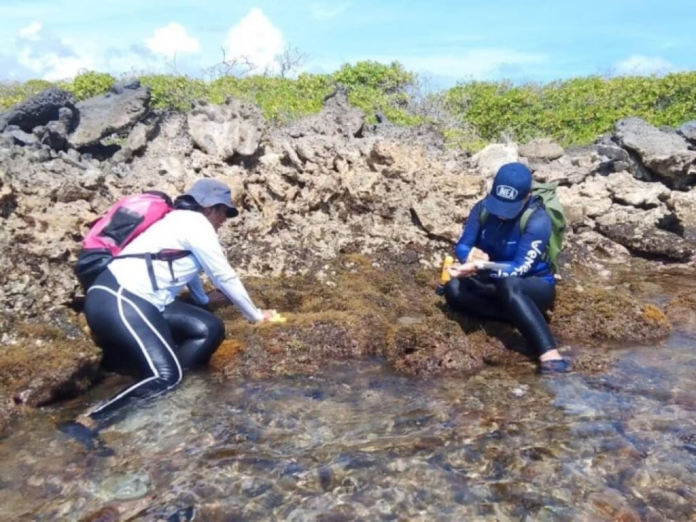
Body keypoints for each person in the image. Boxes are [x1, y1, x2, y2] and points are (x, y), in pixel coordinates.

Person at [62, 179, 276, 450]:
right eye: (224, 211)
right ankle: (86, 422)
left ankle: (162, 387)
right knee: (166, 375)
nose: (225, 219)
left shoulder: (179, 222)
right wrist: (255, 316)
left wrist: (202, 300)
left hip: (139, 301)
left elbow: (187, 268)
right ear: (209, 207)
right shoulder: (195, 224)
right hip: (119, 297)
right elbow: (223, 276)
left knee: (209, 328)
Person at [444, 162, 570, 374]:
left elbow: (520, 268)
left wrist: (480, 265)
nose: (502, 214)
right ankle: (519, 315)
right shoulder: (482, 208)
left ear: (527, 197)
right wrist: (469, 256)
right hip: (495, 283)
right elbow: (463, 245)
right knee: (453, 289)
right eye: (498, 205)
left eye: (509, 208)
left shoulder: (538, 220)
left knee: (510, 285)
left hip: (531, 286)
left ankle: (549, 354)